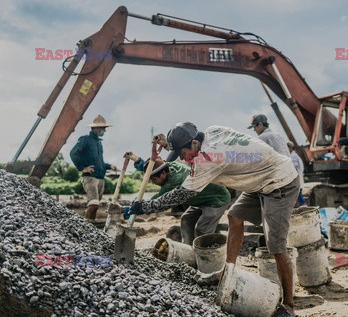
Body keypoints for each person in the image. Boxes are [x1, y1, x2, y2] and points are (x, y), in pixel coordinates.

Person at [129, 122, 299, 317]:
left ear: (194, 143)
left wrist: (145, 207)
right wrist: (169, 145)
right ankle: (227, 272)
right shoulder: (211, 132)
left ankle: (289, 305)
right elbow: (191, 149)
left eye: (182, 154)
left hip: (280, 182)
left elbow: (180, 195)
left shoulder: (208, 160)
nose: (183, 160)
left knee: (276, 246)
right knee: (234, 216)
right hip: (259, 181)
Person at [126, 152, 230, 245]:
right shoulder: (170, 166)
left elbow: (158, 203)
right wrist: (142, 163)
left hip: (216, 199)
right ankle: (188, 248)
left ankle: (205, 255)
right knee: (186, 219)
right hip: (201, 199)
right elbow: (159, 164)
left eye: (154, 179)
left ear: (163, 174)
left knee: (202, 229)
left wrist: (134, 208)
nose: (153, 182)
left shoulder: (173, 183)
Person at [70, 115, 117, 222]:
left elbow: (99, 162)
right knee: (93, 204)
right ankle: (85, 224)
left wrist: (110, 166)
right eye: (102, 128)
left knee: (96, 205)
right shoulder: (85, 140)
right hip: (90, 178)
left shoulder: (99, 143)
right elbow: (73, 153)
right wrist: (82, 168)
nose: (104, 130)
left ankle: (92, 226)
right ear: (96, 128)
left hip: (100, 178)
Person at [287, 142, 306, 206]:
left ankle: (303, 205)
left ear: (290, 148)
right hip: (298, 177)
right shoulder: (294, 155)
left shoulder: (293, 156)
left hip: (297, 177)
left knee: (297, 193)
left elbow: (293, 167)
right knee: (297, 193)